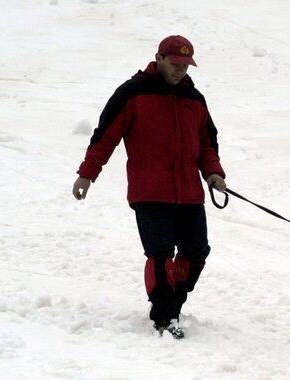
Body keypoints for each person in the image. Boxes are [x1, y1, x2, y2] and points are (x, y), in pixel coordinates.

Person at [72, 35, 227, 339]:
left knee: (197, 251)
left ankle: (174, 301)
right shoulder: (132, 93)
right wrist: (86, 174)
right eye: (175, 63)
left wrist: (213, 173)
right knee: (160, 253)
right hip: (150, 191)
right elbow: (104, 137)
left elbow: (207, 143)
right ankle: (164, 315)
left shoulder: (194, 99)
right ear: (159, 58)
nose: (181, 70)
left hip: (189, 193)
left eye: (186, 65)